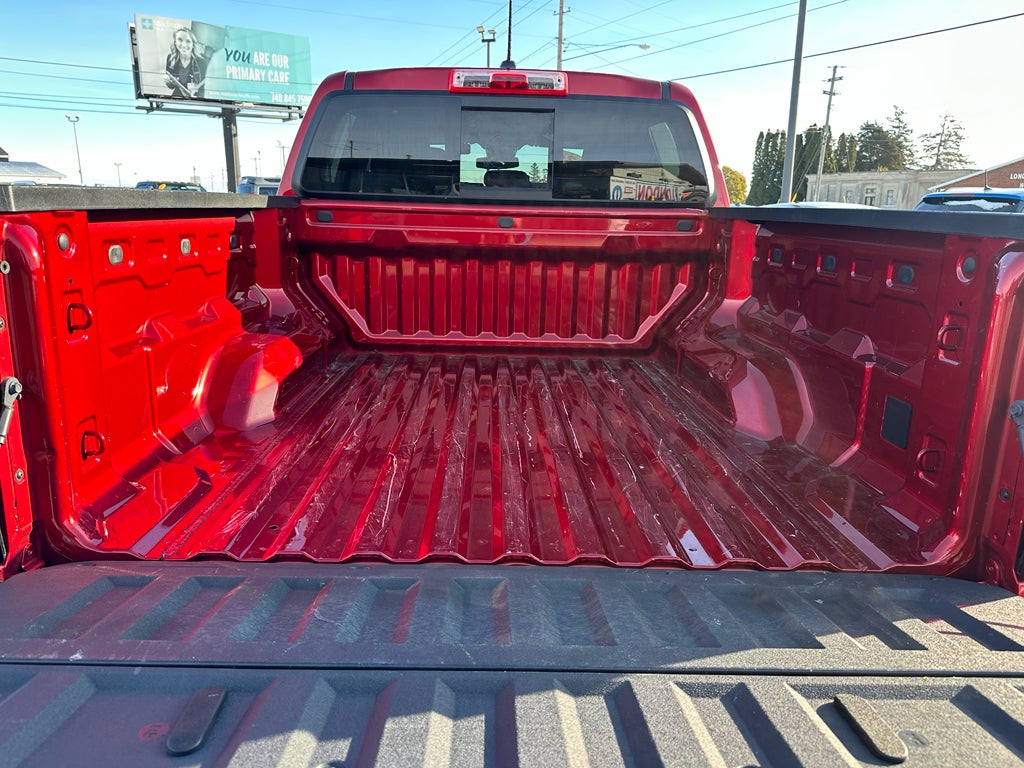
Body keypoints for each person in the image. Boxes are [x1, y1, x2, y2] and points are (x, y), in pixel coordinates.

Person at [164, 27, 207, 99]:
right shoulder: (170, 58)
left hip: (196, 98)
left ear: (193, 44)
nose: (184, 45)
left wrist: (196, 90)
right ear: (175, 42)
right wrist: (169, 83)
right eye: (180, 40)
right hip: (178, 96)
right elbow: (171, 87)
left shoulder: (202, 62)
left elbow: (207, 89)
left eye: (188, 41)